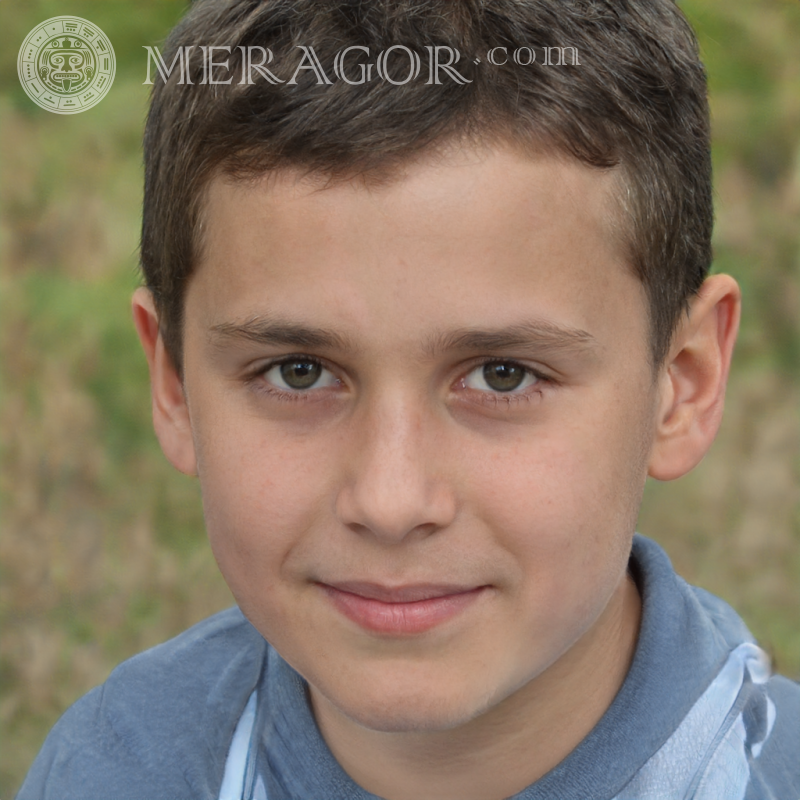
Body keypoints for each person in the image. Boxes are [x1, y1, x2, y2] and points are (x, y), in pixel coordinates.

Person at [16, 0, 799, 798]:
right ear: (174, 384)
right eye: (297, 372)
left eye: (503, 374)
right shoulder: (112, 767)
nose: (390, 502)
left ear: (685, 381)